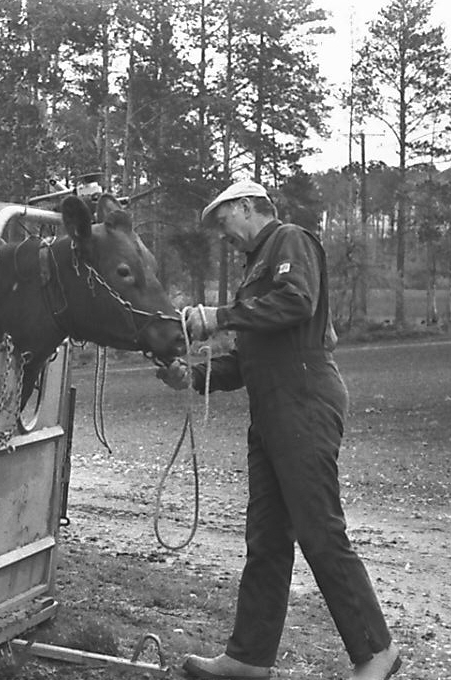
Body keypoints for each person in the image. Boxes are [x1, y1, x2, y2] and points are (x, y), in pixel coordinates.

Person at [156, 180, 400, 680]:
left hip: (305, 400)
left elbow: (297, 303)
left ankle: (377, 651)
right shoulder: (254, 271)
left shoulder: (290, 240)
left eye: (224, 223)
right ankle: (249, 658)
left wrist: (218, 317)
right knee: (266, 538)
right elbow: (247, 360)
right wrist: (191, 376)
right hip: (271, 410)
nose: (223, 237)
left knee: (319, 530)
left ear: (247, 206)